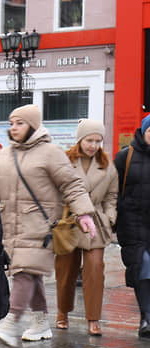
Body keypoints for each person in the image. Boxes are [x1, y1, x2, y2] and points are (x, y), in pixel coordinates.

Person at [0, 104, 96, 347]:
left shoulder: (51, 153)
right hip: (10, 225)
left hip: (40, 225)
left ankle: (10, 321)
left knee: (24, 272)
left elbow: (72, 185)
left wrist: (84, 214)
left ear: (33, 125)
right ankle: (41, 323)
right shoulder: (3, 155)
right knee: (28, 273)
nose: (13, 128)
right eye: (12, 123)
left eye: (20, 123)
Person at [53, 119, 118, 336]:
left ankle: (93, 318)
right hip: (69, 220)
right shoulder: (64, 161)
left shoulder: (108, 165)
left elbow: (112, 195)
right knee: (65, 271)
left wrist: (110, 217)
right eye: (89, 140)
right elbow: (54, 190)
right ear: (80, 139)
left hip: (96, 223)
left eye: (98, 140)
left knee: (95, 270)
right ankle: (62, 311)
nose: (93, 145)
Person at [115, 114, 150, 339]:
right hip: (134, 223)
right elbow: (113, 190)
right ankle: (146, 316)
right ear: (143, 132)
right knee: (143, 266)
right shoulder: (125, 157)